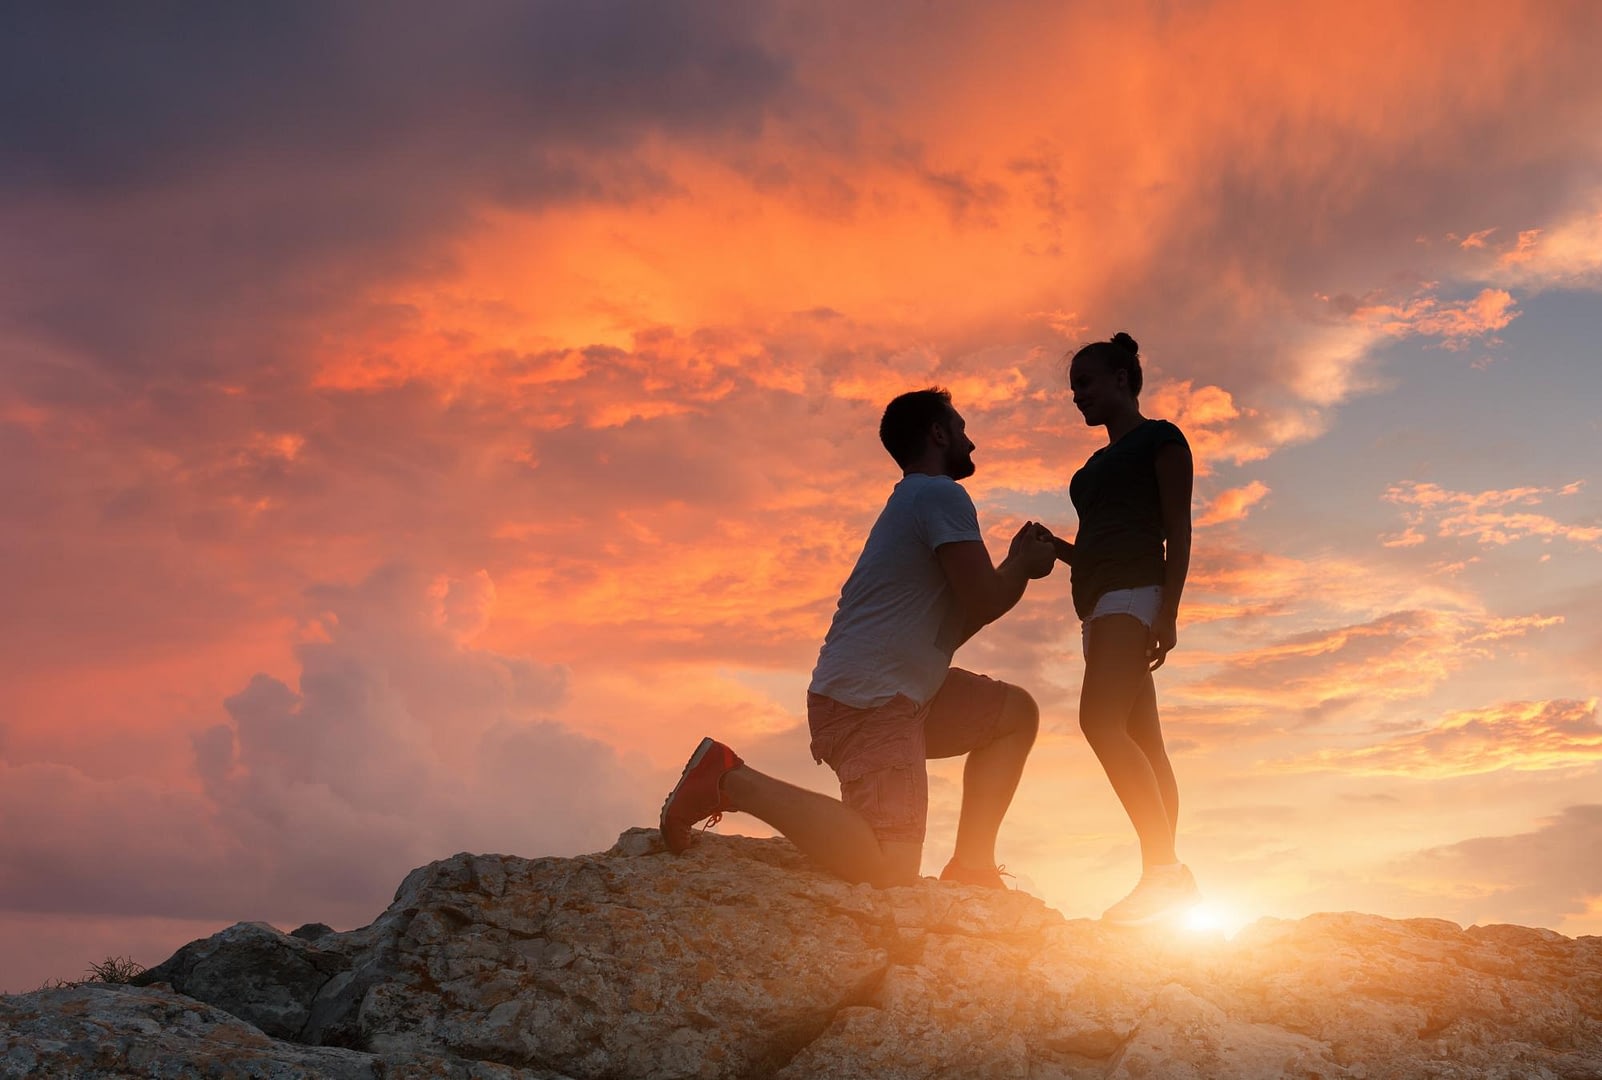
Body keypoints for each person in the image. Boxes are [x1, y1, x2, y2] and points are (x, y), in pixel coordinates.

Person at [659, 388, 1058, 889]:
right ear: (938, 433)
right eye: (961, 428)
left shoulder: (917, 501)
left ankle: (973, 867)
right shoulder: (940, 494)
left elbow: (951, 629)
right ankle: (727, 779)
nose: (971, 442)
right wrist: (1022, 569)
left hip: (897, 694)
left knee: (1014, 715)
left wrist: (1011, 568)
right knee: (890, 870)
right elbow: (982, 601)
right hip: (870, 702)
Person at [1049, 332, 1199, 925]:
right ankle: (1165, 878)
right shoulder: (1087, 472)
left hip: (1134, 597)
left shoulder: (1160, 439)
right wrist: (1053, 548)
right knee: (1146, 744)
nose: (1076, 396)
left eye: (1084, 383)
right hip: (1099, 605)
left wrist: (1169, 610)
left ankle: (1164, 874)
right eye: (1072, 388)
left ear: (1120, 377)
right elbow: (1094, 550)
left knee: (1099, 722)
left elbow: (1177, 530)